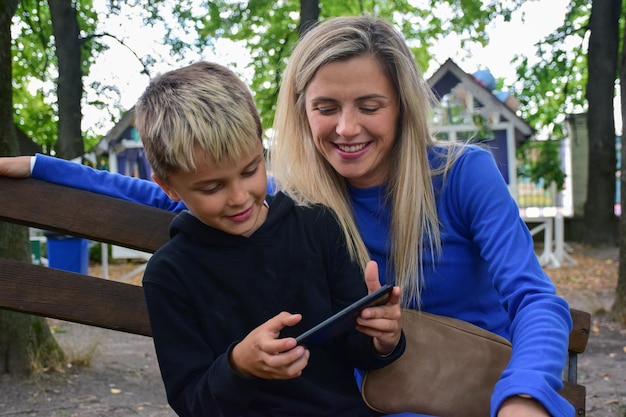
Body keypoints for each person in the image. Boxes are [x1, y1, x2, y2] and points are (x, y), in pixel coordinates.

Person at [0, 16, 572, 417]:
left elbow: (535, 299)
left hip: (482, 392)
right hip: (378, 398)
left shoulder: (462, 174)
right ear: (301, 112)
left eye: (369, 106)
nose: (346, 129)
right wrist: (41, 166)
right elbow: (169, 193)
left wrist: (523, 395)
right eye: (326, 108)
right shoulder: (300, 199)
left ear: (402, 106)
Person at [57, 61, 407, 416]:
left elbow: (358, 349)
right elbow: (192, 402)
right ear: (168, 186)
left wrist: (381, 339)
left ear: (261, 148)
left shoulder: (317, 225)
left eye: (251, 170)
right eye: (212, 187)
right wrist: (238, 365)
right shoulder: (170, 275)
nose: (239, 197)